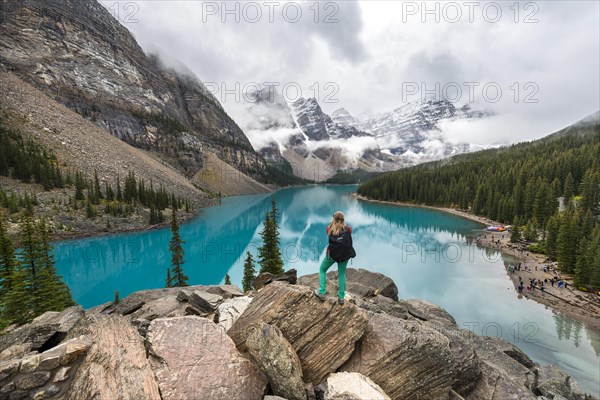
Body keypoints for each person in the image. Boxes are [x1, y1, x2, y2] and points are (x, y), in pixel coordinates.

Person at [314, 211, 356, 305]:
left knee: (322, 270)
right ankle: (341, 297)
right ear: (343, 219)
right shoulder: (347, 229)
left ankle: (322, 292)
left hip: (332, 255)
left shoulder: (329, 229)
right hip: (344, 256)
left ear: (334, 219)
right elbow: (350, 231)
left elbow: (329, 233)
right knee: (342, 274)